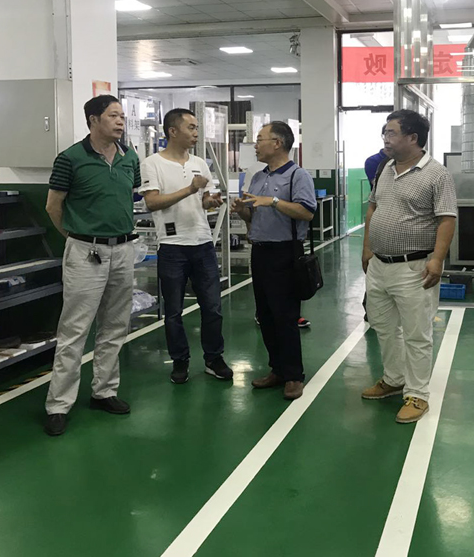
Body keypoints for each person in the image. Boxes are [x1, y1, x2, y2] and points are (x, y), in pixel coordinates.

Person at [43, 95, 141, 436]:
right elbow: (53, 206)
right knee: (74, 330)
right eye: (113, 116)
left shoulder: (129, 158)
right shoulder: (70, 159)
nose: (120, 121)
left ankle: (104, 391)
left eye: (122, 116)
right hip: (86, 251)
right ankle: (58, 405)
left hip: (123, 249)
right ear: (93, 120)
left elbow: (129, 197)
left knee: (115, 326)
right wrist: (77, 236)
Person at [361, 110, 457, 424]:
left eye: (391, 133)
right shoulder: (385, 168)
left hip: (414, 267)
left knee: (417, 333)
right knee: (384, 326)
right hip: (379, 264)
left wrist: (437, 259)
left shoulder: (436, 174)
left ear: (413, 138)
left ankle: (417, 394)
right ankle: (393, 378)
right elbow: (373, 207)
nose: (385, 139)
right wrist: (367, 248)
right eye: (384, 132)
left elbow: (447, 218)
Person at [138, 108, 233, 385]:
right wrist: (190, 189)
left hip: (202, 243)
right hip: (172, 246)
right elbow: (152, 202)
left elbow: (204, 199)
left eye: (196, 128)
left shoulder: (200, 163)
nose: (196, 133)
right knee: (174, 312)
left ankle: (214, 358)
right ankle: (180, 361)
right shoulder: (152, 164)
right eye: (191, 127)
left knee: (212, 307)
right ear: (172, 131)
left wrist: (210, 201)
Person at [231, 121, 317, 400]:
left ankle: (293, 375)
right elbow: (253, 215)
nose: (255, 145)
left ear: (277, 143)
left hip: (285, 252)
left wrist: (274, 202)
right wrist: (241, 210)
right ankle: (277, 369)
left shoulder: (297, 176)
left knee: (285, 315)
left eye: (260, 139)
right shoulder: (257, 177)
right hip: (260, 252)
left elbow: (307, 212)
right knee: (265, 314)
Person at [362, 136, 391, 321]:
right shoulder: (375, 163)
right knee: (375, 267)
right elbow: (377, 195)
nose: (389, 139)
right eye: (387, 134)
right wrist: (366, 247)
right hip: (381, 221)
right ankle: (371, 306)